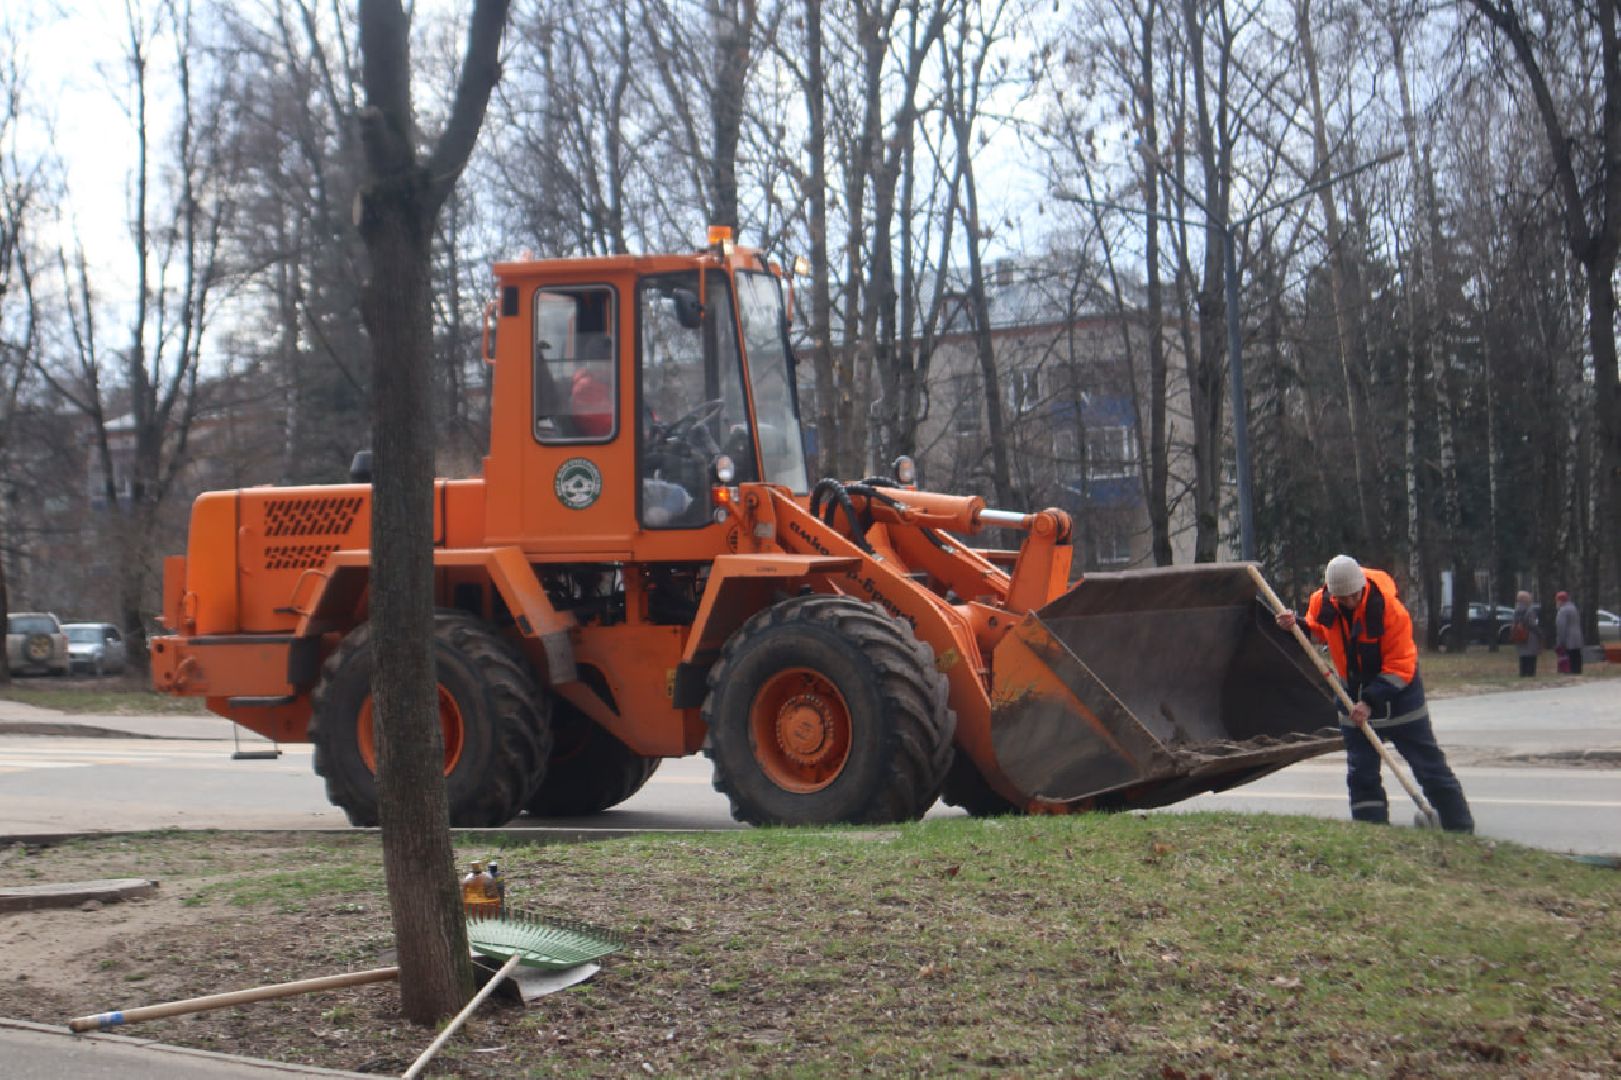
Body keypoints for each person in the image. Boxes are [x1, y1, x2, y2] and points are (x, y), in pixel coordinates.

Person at [1276, 555, 1475, 833]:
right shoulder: (1323, 602)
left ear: (1362, 587)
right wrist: (1298, 625)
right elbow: (1321, 629)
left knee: (1428, 766)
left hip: (1400, 698)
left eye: (1353, 596)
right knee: (1361, 772)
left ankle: (1459, 827)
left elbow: (1400, 665)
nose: (1348, 602)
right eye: (1341, 597)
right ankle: (1372, 830)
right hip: (1350, 694)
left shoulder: (1390, 611)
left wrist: (1370, 702)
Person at [1511, 590, 1541, 677]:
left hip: (1520, 636)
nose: (1530, 599)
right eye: (1529, 597)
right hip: (1530, 637)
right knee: (1531, 658)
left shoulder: (1516, 610)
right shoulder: (1530, 610)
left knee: (1523, 657)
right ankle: (1531, 674)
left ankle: (1523, 674)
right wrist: (1540, 633)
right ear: (1524, 599)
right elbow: (1532, 624)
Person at [1555, 590, 1584, 675]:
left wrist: (1561, 641)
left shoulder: (1563, 611)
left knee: (1569, 657)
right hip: (1577, 637)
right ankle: (1577, 672)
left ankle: (1569, 672)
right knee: (1576, 656)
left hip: (1568, 638)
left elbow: (1561, 627)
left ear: (1560, 601)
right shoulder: (1573, 608)